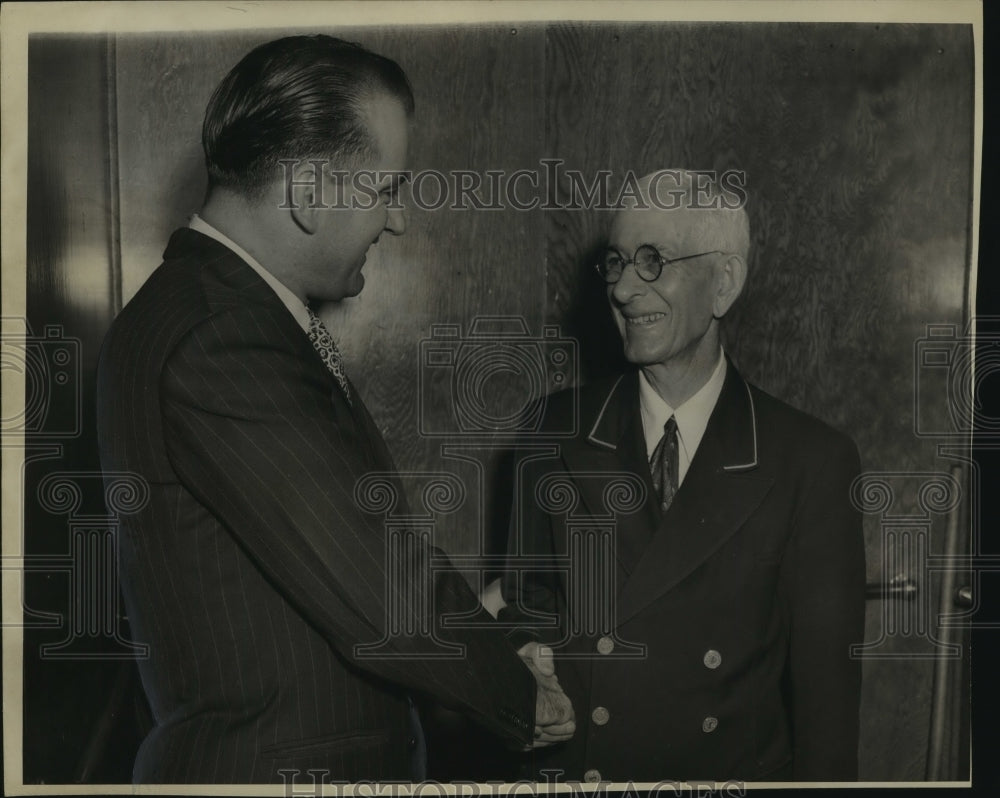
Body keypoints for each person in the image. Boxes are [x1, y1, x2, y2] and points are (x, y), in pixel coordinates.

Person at [96, 35, 572, 784]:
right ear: (312, 193)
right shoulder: (220, 333)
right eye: (387, 190)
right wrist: (520, 694)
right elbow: (377, 576)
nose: (398, 222)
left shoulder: (219, 310)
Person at [500, 170, 865, 782]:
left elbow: (827, 718)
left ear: (723, 283)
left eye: (652, 260)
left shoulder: (811, 461)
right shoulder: (552, 432)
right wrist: (524, 664)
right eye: (616, 263)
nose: (622, 288)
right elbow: (524, 602)